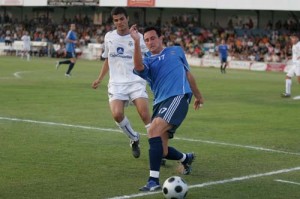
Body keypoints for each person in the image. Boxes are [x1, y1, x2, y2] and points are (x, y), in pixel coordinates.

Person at [129, 25, 204, 191]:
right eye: (146, 40)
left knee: (153, 130)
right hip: (160, 103)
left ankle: (153, 182)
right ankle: (186, 158)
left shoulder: (176, 51)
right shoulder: (146, 59)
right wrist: (136, 42)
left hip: (178, 97)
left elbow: (187, 74)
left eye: (153, 38)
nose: (150, 42)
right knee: (161, 150)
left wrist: (198, 95)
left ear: (161, 38)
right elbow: (139, 68)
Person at [91, 7, 151, 159]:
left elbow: (149, 59)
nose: (119, 22)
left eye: (122, 19)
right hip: (116, 84)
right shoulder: (109, 36)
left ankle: (158, 149)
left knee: (145, 115)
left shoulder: (138, 37)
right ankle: (134, 138)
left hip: (136, 81)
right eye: (116, 20)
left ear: (127, 18)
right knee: (117, 114)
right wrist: (99, 78)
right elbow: (108, 59)